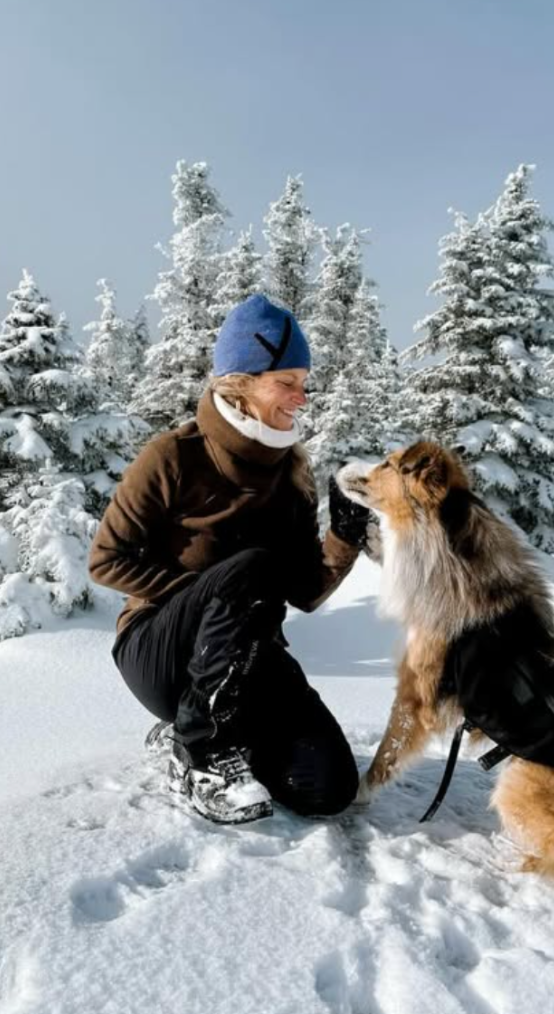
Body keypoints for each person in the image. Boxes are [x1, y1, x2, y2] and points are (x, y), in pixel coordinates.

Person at [88, 293, 371, 824]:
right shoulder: (173, 456)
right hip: (159, 650)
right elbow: (107, 559)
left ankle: (223, 736)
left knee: (327, 788)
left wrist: (344, 537)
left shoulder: (292, 476)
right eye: (286, 383)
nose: (300, 398)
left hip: (245, 662)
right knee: (253, 565)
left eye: (303, 384)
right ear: (240, 383)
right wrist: (207, 597)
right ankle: (199, 750)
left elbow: (306, 592)